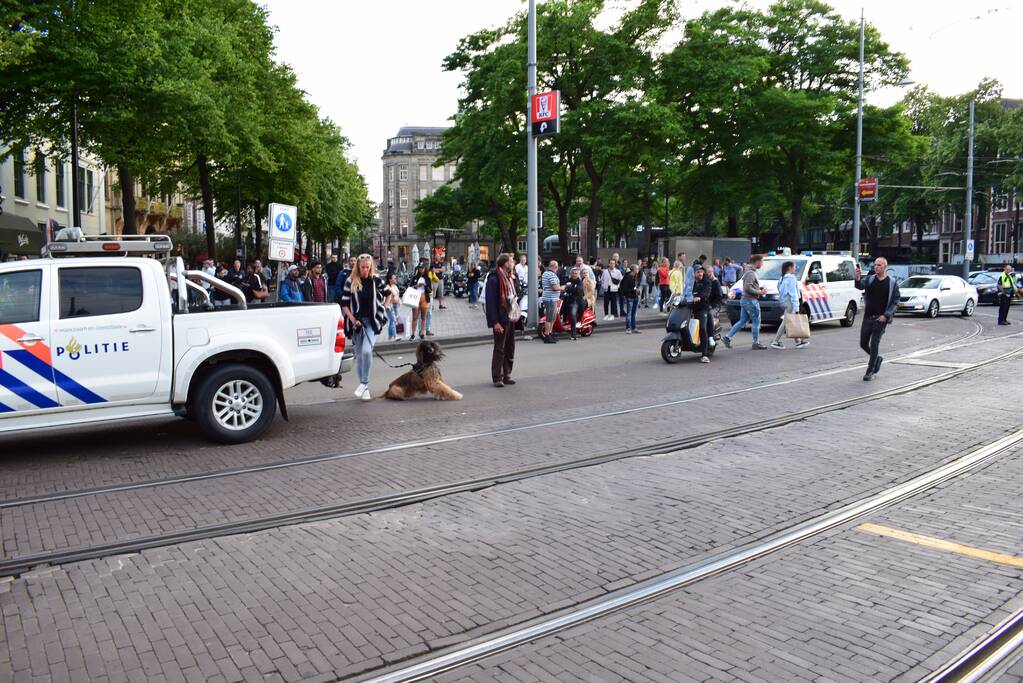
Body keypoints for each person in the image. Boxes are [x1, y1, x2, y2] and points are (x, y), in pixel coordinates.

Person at [340, 254, 389, 401]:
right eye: (363, 267)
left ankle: (363, 383)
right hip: (356, 323)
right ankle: (365, 388)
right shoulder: (350, 281)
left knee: (367, 351)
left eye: (368, 267)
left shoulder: (376, 280)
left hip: (371, 322)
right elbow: (344, 304)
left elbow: (389, 294)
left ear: (371, 266)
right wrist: (353, 319)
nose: (365, 270)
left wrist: (384, 308)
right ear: (358, 267)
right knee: (360, 356)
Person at [854, 256, 899, 381]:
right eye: (875, 265)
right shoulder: (870, 279)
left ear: (885, 267)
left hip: (881, 319)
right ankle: (877, 359)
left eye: (879, 265)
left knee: (874, 344)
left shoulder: (892, 282)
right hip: (868, 317)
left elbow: (896, 301)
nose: (876, 267)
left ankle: (870, 371)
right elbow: (859, 286)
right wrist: (857, 277)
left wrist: (886, 315)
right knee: (863, 344)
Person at [485, 253, 520, 387]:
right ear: (505, 264)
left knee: (510, 346)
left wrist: (514, 278)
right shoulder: (494, 279)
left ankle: (507, 374)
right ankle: (497, 377)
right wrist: (495, 322)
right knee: (500, 348)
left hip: (510, 316)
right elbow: (491, 303)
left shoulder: (510, 277)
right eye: (511, 261)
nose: (513, 263)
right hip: (501, 318)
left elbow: (517, 292)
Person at [723, 254, 767, 350]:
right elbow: (748, 288)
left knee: (742, 321)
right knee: (756, 321)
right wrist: (760, 292)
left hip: (745, 299)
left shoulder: (748, 271)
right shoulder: (751, 273)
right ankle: (756, 343)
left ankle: (727, 337)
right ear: (757, 262)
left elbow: (748, 286)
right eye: (762, 262)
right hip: (751, 300)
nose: (762, 264)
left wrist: (758, 288)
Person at [771, 261, 809, 349]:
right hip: (790, 302)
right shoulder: (791, 278)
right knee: (786, 321)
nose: (795, 268)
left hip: (784, 302)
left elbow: (779, 288)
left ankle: (798, 341)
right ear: (790, 267)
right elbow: (793, 293)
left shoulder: (782, 278)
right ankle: (775, 341)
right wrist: (796, 306)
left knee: (790, 320)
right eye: (794, 267)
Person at [690, 266, 716, 363]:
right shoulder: (690, 282)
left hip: (702, 308)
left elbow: (706, 292)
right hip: (689, 307)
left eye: (701, 272)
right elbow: (684, 291)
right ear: (694, 273)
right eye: (698, 272)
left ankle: (704, 355)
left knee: (702, 327)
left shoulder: (707, 282)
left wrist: (699, 297)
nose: (700, 274)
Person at [541, 259, 563, 343]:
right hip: (551, 299)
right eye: (557, 267)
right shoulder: (552, 275)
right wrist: (563, 288)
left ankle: (550, 334)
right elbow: (555, 287)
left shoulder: (545, 273)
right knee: (550, 318)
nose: (557, 269)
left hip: (549, 298)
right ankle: (547, 336)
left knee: (552, 318)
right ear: (554, 267)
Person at [562, 267, 585, 340]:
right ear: (571, 274)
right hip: (567, 300)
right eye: (573, 273)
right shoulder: (568, 280)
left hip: (575, 301)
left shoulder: (579, 282)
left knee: (573, 315)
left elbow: (577, 290)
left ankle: (573, 334)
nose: (574, 275)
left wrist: (568, 289)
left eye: (576, 273)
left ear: (578, 274)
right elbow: (563, 287)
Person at [408, 276, 430, 340]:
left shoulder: (427, 278)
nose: (421, 271)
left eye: (423, 270)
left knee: (424, 318)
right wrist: (417, 286)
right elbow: (409, 287)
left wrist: (425, 286)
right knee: (415, 317)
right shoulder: (415, 277)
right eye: (420, 270)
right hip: (415, 297)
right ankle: (413, 334)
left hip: (424, 298)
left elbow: (430, 289)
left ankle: (422, 333)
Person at [621, 264, 640, 334]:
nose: (638, 270)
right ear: (633, 269)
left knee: (634, 314)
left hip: (635, 297)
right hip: (630, 297)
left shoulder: (635, 276)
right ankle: (628, 328)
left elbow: (635, 286)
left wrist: (637, 290)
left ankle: (634, 328)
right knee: (629, 313)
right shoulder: (627, 277)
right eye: (637, 268)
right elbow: (625, 289)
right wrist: (634, 290)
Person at [384, 273, 401, 341]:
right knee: (393, 320)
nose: (396, 279)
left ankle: (390, 335)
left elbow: (397, 294)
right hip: (390, 305)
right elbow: (385, 297)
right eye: (394, 278)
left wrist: (399, 301)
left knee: (393, 320)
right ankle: (395, 336)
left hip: (395, 305)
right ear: (390, 279)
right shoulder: (387, 287)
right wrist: (387, 305)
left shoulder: (395, 286)